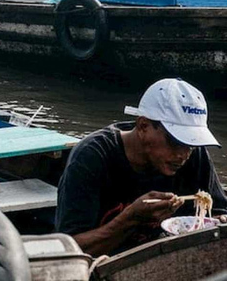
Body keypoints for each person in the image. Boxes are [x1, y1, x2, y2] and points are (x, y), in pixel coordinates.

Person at [56, 78, 227, 256]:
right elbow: (69, 252)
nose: (183, 155)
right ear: (143, 126)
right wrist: (131, 219)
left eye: (191, 144)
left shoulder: (195, 155)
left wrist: (220, 221)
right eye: (175, 142)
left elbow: (217, 213)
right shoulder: (92, 157)